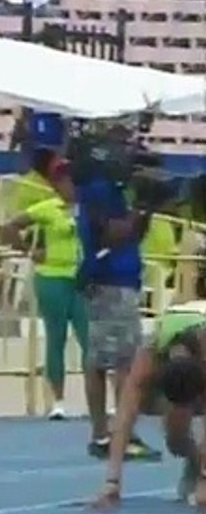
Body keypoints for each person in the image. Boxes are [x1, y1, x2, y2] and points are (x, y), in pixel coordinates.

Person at [75, 142, 160, 461]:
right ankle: (119, 434)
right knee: (124, 362)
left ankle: (105, 433)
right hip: (111, 279)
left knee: (102, 359)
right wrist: (142, 209)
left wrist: (145, 210)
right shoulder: (100, 190)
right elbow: (109, 234)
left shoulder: (108, 190)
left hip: (114, 278)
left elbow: (133, 235)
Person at [92, 300, 206, 510]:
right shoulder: (148, 357)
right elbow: (124, 416)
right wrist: (111, 482)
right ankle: (194, 460)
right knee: (176, 441)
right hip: (180, 340)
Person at [1, 157, 87, 420]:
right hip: (52, 276)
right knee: (55, 338)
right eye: (64, 181)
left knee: (89, 339)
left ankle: (97, 399)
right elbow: (9, 227)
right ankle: (58, 401)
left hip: (84, 278)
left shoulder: (90, 209)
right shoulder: (48, 208)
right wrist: (30, 251)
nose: (70, 185)